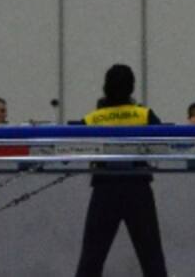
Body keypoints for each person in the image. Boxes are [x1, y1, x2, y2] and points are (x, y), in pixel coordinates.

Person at [74, 63, 168, 277]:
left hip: (105, 190)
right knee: (152, 259)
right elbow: (165, 143)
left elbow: (69, 145)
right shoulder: (143, 115)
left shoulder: (93, 119)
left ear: (105, 87)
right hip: (138, 189)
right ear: (131, 87)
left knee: (91, 259)